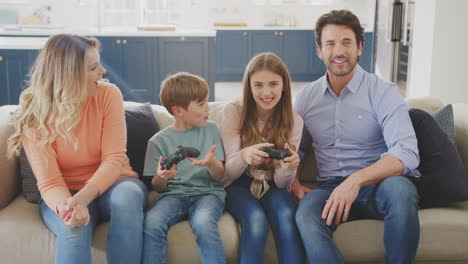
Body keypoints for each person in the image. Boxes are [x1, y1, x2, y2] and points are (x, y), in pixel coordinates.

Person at [293, 10, 421, 264]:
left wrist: (355, 181)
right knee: (305, 216)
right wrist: (294, 183)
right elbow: (294, 150)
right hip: (330, 188)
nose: (338, 51)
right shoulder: (306, 98)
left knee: (402, 191)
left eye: (347, 42)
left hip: (379, 184)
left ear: (360, 48)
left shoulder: (383, 92)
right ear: (319, 51)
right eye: (330, 43)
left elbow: (406, 152)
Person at [7, 34, 148, 264]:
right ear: (68, 75)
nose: (103, 71)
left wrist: (82, 198)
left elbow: (114, 158)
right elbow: (49, 182)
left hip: (115, 184)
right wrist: (68, 206)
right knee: (73, 228)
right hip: (65, 193)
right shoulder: (34, 113)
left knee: (128, 197)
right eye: (93, 67)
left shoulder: (108, 95)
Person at [221, 52, 306, 264]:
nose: (266, 92)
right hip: (238, 183)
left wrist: (288, 168)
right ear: (248, 86)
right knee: (256, 219)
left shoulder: (294, 120)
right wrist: (244, 156)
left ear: (284, 85)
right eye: (258, 85)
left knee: (286, 217)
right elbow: (229, 173)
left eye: (273, 84)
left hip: (273, 185)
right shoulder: (233, 111)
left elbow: (281, 182)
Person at [142, 72, 226, 264]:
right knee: (152, 223)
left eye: (207, 101)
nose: (208, 108)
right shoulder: (157, 141)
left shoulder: (212, 129)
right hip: (173, 195)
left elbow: (220, 176)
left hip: (208, 194)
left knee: (203, 222)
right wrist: (162, 176)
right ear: (178, 111)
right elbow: (157, 187)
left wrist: (212, 162)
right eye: (201, 104)